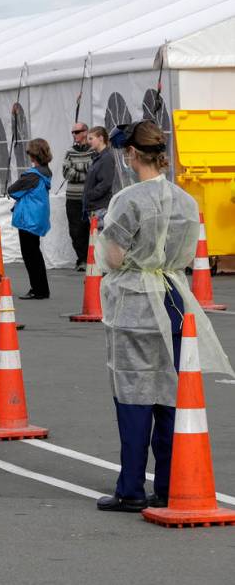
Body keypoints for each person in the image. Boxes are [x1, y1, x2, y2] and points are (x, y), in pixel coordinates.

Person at [94, 120, 232, 512]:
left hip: (136, 298)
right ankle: (170, 483)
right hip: (174, 296)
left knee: (134, 393)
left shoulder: (129, 199)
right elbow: (187, 253)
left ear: (132, 154)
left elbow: (114, 254)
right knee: (170, 393)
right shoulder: (186, 201)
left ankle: (131, 487)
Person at [7, 138, 52, 300]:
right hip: (38, 216)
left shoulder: (32, 175)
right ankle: (41, 288)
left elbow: (12, 190)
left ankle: (38, 289)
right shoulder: (46, 172)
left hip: (28, 218)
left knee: (30, 255)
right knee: (35, 253)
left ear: (34, 155)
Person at [61, 122, 96, 270]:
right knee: (75, 230)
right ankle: (81, 259)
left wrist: (77, 170)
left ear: (85, 132)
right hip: (73, 198)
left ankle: (91, 259)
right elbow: (66, 173)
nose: (74, 135)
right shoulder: (69, 152)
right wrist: (85, 171)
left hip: (90, 197)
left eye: (77, 132)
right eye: (73, 132)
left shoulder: (93, 151)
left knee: (91, 228)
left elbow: (94, 171)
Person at [82, 125, 117, 229]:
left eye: (91, 138)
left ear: (101, 138)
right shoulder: (98, 157)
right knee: (96, 242)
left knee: (100, 242)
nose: (89, 142)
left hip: (100, 208)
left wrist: (89, 195)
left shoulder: (106, 158)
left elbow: (105, 183)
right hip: (95, 208)